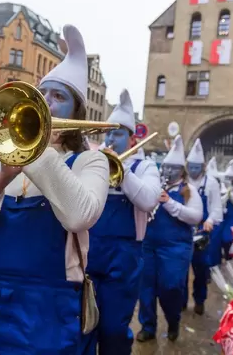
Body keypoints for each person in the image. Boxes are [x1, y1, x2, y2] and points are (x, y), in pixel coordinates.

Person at [0, 24, 109, 353]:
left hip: (48, 313)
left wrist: (37, 149)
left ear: (76, 113)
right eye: (43, 93)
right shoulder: (1, 160)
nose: (46, 102)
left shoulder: (90, 163)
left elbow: (79, 217)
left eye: (58, 97)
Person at [81, 89, 161, 355]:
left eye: (117, 134)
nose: (111, 139)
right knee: (84, 323)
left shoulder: (145, 167)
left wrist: (119, 167)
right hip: (91, 252)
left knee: (114, 329)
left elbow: (149, 200)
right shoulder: (95, 160)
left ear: (131, 137)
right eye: (108, 133)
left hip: (124, 258)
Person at [137, 135, 203, 342]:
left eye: (173, 168)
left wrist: (169, 204)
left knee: (171, 287)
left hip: (176, 247)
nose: (168, 172)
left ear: (181, 171)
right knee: (146, 287)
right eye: (166, 167)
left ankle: (173, 321)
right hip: (149, 245)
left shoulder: (189, 191)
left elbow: (196, 217)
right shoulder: (154, 185)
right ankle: (148, 327)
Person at [182, 139, 222, 315]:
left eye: (196, 167)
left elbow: (216, 208)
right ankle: (181, 301)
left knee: (201, 269)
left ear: (203, 167)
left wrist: (210, 221)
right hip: (182, 230)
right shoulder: (182, 182)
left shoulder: (211, 183)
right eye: (190, 166)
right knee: (181, 270)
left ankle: (199, 299)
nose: (193, 170)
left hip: (201, 233)